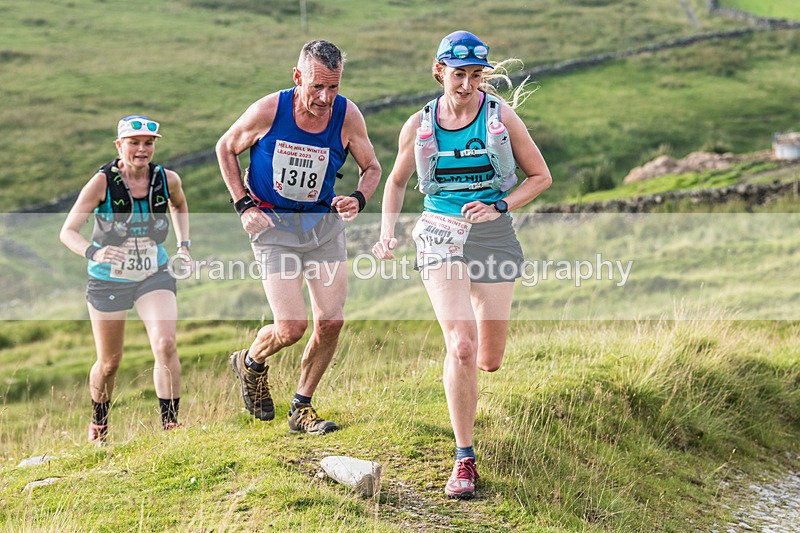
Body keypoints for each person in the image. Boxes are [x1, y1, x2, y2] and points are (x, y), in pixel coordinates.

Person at [372, 31, 552, 499]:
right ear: (439, 72)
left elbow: (540, 176)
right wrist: (387, 232)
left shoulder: (500, 117)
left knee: (488, 360)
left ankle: (465, 363)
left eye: (476, 75)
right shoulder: (419, 124)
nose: (467, 84)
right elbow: (395, 182)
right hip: (439, 234)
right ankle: (464, 459)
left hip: (492, 234)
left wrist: (502, 207)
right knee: (463, 347)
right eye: (458, 74)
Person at [216, 39, 381, 435]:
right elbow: (226, 147)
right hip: (274, 227)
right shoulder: (269, 110)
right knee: (291, 326)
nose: (325, 98)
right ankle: (251, 362)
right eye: (316, 87)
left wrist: (358, 198)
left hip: (322, 226)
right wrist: (243, 205)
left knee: (332, 321)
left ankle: (301, 407)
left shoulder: (347, 116)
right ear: (297, 77)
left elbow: (372, 167)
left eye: (334, 87)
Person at [60, 115, 191, 444]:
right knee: (109, 363)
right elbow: (68, 231)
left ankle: (171, 426)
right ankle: (99, 425)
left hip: (153, 272)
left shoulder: (167, 179)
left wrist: (183, 246)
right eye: (134, 143)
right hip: (108, 279)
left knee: (165, 343)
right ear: (120, 146)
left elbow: (180, 204)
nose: (142, 149)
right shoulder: (102, 183)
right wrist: (95, 252)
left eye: (148, 143)